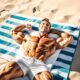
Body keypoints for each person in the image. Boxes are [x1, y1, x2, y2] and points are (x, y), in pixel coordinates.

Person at [0, 18, 73, 80]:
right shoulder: (28, 37)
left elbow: (69, 38)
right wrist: (24, 26)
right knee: (4, 74)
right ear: (39, 27)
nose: (44, 25)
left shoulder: (53, 41)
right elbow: (13, 32)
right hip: (24, 59)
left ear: (49, 29)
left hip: (39, 64)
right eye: (42, 24)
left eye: (47, 25)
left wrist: (56, 31)